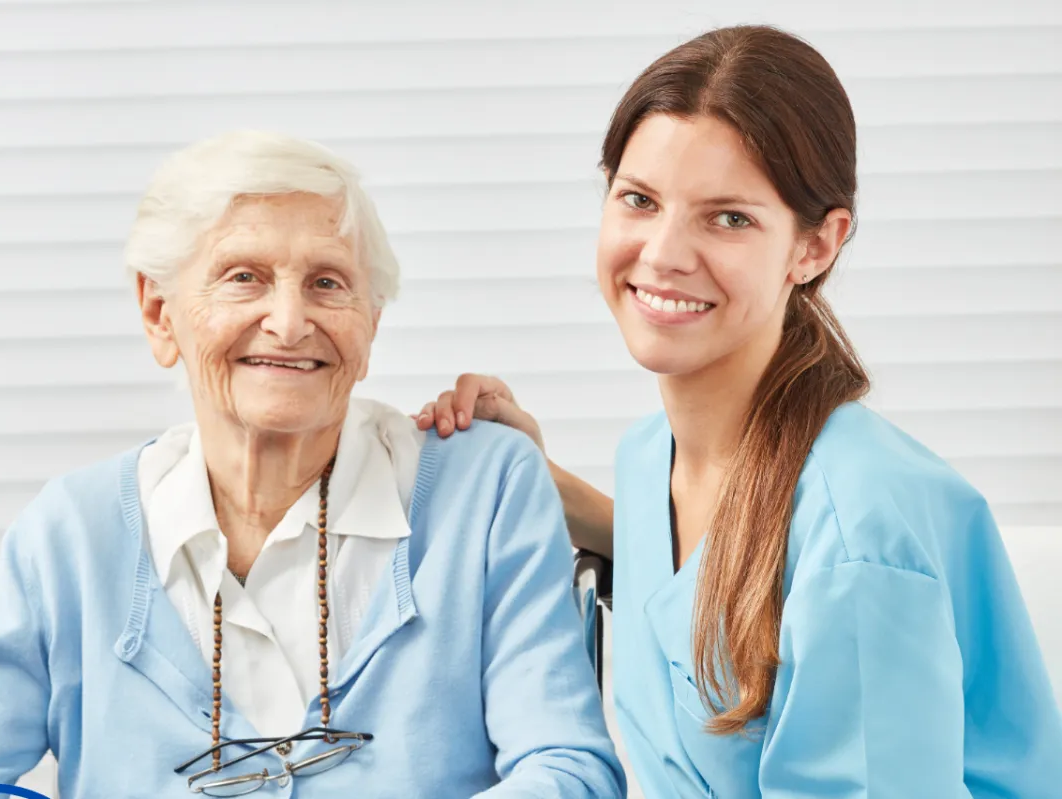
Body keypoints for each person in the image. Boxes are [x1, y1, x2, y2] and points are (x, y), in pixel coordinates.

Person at [0, 131, 626, 798]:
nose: (289, 322)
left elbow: (569, 771)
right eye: (243, 277)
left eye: (328, 282)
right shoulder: (73, 535)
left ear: (370, 324)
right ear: (160, 314)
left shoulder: (484, 490)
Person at [420, 24, 1062, 798]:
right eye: (639, 199)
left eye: (728, 217)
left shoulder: (858, 533)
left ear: (815, 246)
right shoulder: (650, 453)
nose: (663, 253)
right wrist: (536, 481)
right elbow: (708, 580)